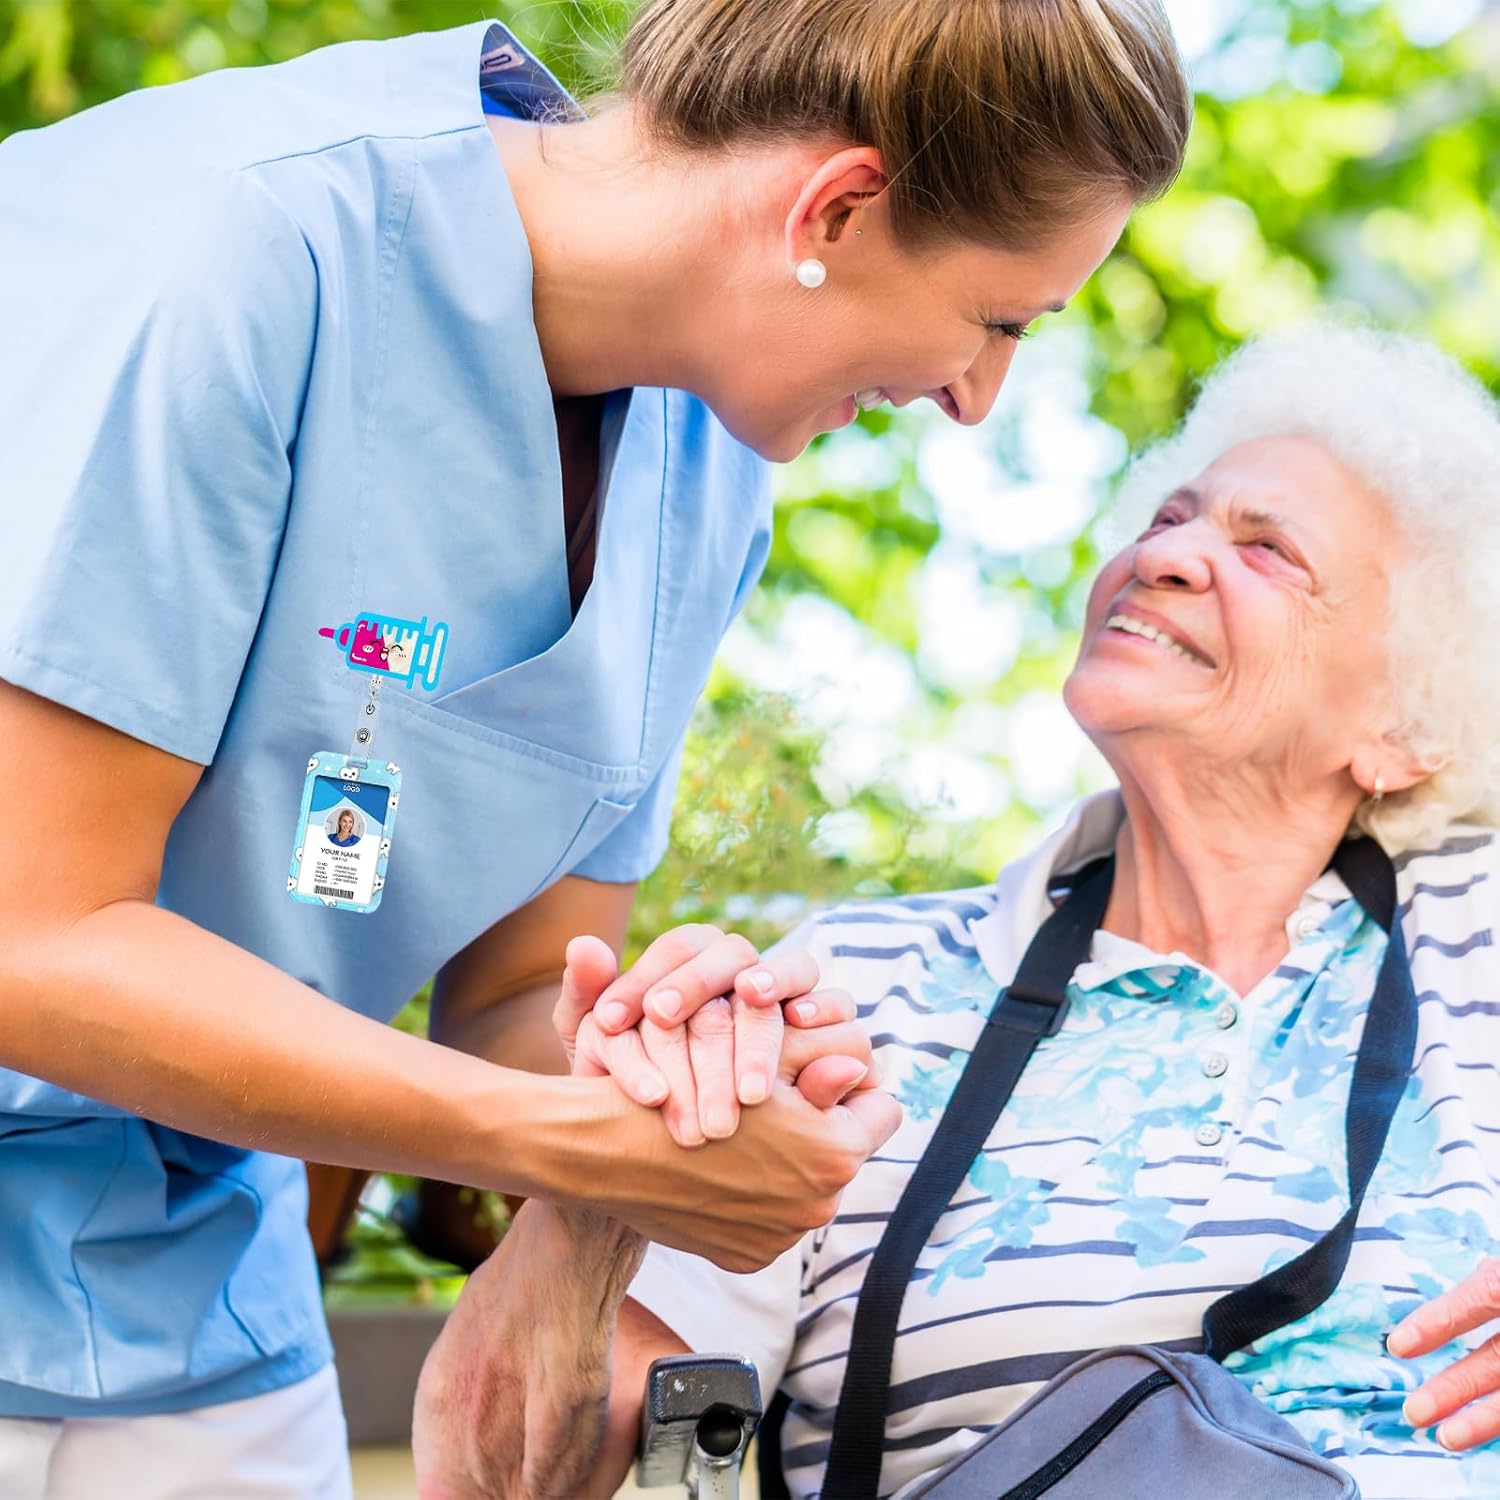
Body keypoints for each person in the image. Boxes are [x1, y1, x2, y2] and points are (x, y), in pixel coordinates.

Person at [0, 2, 1191, 1494]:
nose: (977, 398)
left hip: (186, 1301)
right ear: (836, 206)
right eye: (1002, 318)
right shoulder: (239, 241)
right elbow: (30, 939)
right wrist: (565, 1142)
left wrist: (685, 1072)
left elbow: (506, 994)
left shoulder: (706, 469)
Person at [453, 325, 1500, 1499]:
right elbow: (638, 1467)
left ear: (1406, 732)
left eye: (1270, 553)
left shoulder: (1478, 933)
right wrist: (598, 1203)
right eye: (1170, 518)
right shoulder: (851, 995)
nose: (1172, 555)